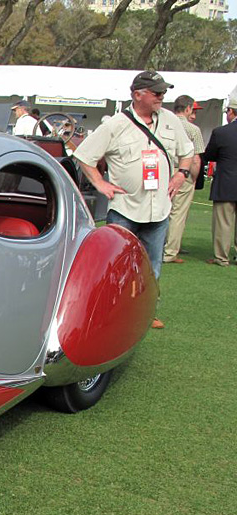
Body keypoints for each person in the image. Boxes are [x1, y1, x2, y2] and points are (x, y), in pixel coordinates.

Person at [73, 70, 194, 330]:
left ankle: (147, 312)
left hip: (159, 209)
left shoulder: (171, 121)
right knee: (116, 264)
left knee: (152, 266)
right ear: (138, 94)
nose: (162, 97)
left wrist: (181, 175)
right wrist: (100, 183)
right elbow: (84, 156)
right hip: (124, 209)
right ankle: (110, 313)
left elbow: (187, 152)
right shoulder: (115, 124)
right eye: (157, 92)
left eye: (163, 92)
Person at [162, 95, 204, 264]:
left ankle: (160, 245)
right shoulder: (193, 130)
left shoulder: (164, 124)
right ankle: (170, 251)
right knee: (178, 214)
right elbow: (195, 158)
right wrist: (193, 177)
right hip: (182, 172)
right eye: (192, 110)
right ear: (187, 109)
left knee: (162, 210)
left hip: (163, 171)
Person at [202, 96, 237, 267]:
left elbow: (209, 155)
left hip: (226, 183)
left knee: (223, 223)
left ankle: (221, 257)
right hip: (228, 181)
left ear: (231, 112)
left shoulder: (221, 132)